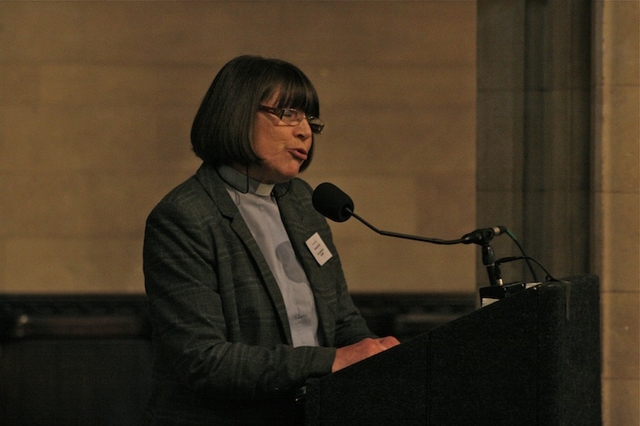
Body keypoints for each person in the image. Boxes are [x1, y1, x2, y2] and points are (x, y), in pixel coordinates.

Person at [141, 55, 400, 426]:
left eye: (310, 120)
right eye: (289, 114)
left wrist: (381, 356)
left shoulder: (303, 203)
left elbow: (341, 321)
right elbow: (203, 359)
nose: (305, 132)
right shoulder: (185, 216)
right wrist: (331, 360)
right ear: (237, 112)